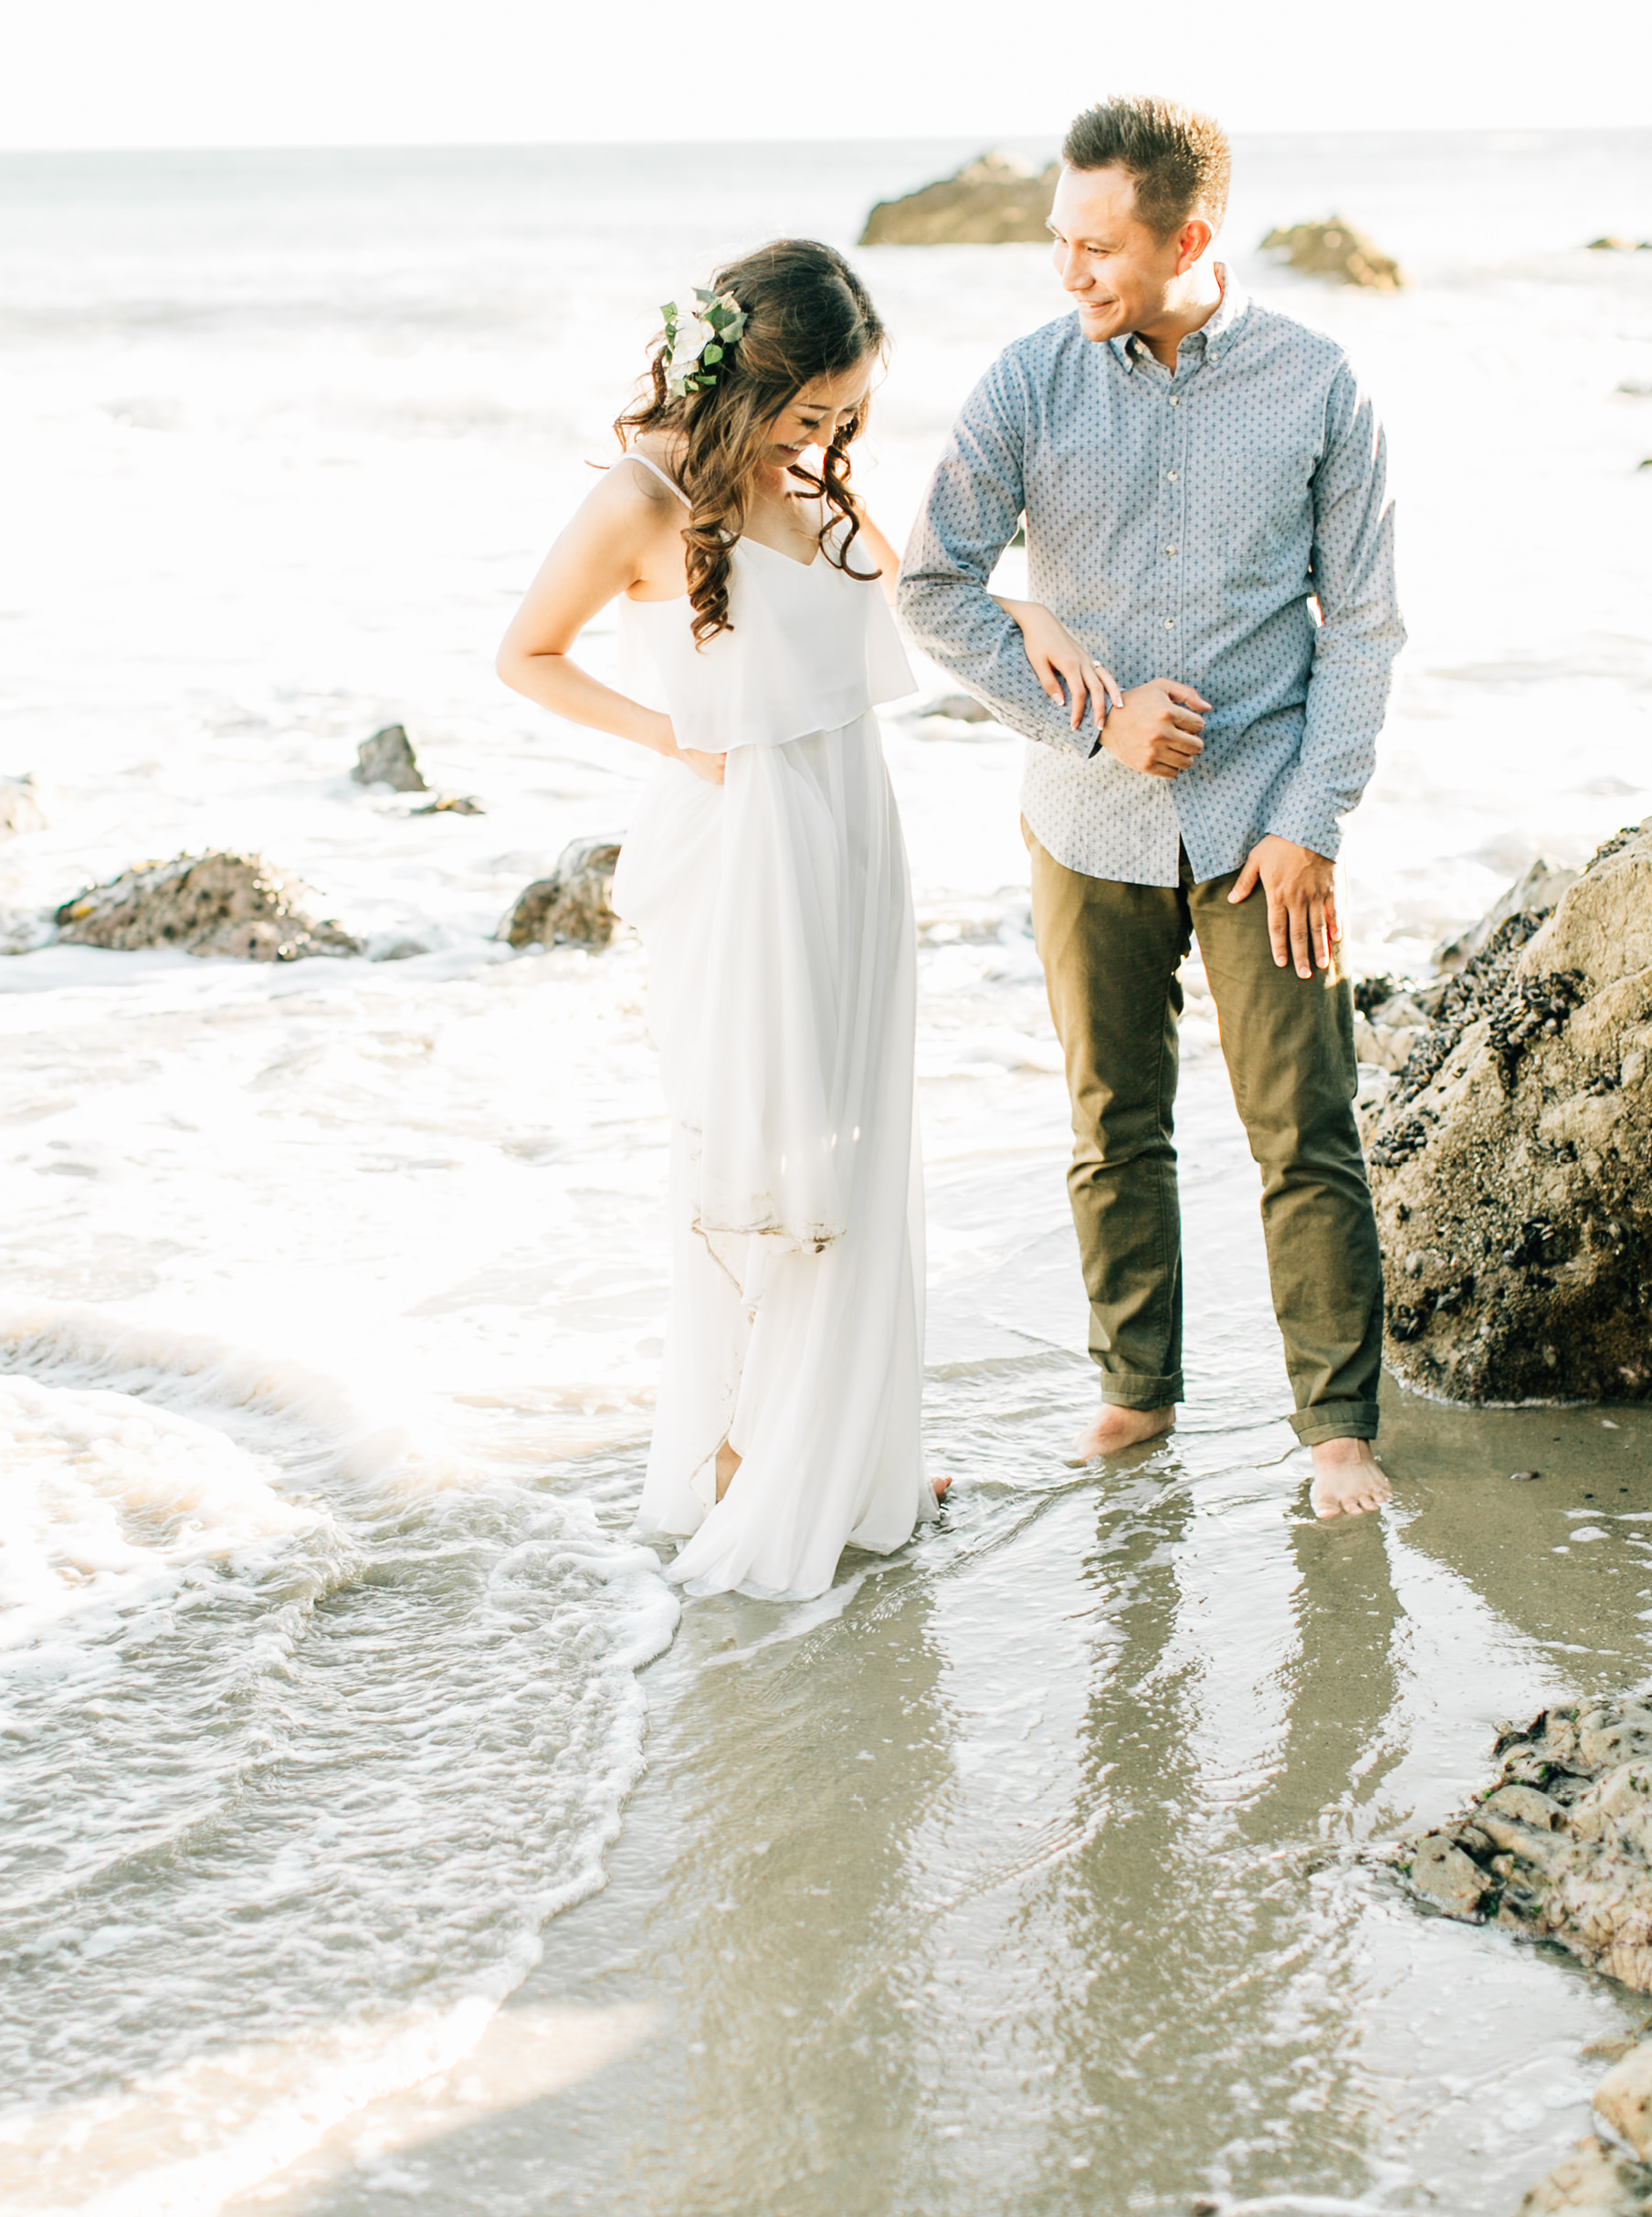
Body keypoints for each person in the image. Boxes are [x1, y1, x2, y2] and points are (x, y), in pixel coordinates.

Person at [498, 238, 1114, 1598]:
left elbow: (907, 593)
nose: (826, 440)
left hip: (853, 816)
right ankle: (745, 1463)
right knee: (769, 1142)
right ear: (743, 383)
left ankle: (852, 1445)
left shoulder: (801, 479)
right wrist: (685, 742)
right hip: (753, 833)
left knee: (857, 1127)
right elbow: (525, 656)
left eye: (845, 419)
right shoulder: (643, 495)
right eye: (809, 414)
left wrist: (1024, 613)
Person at [898, 98, 1405, 1520]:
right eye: (1060, 242)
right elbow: (931, 585)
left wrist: (1314, 822)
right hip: (1085, 818)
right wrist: (1095, 716)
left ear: (1189, 236)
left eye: (1097, 247)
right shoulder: (1026, 384)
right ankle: (1137, 1393)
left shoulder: (1318, 387)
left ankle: (1337, 1431)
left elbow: (1362, 627)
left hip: (1264, 823)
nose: (1069, 274)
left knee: (1304, 1125)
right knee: (1110, 1120)